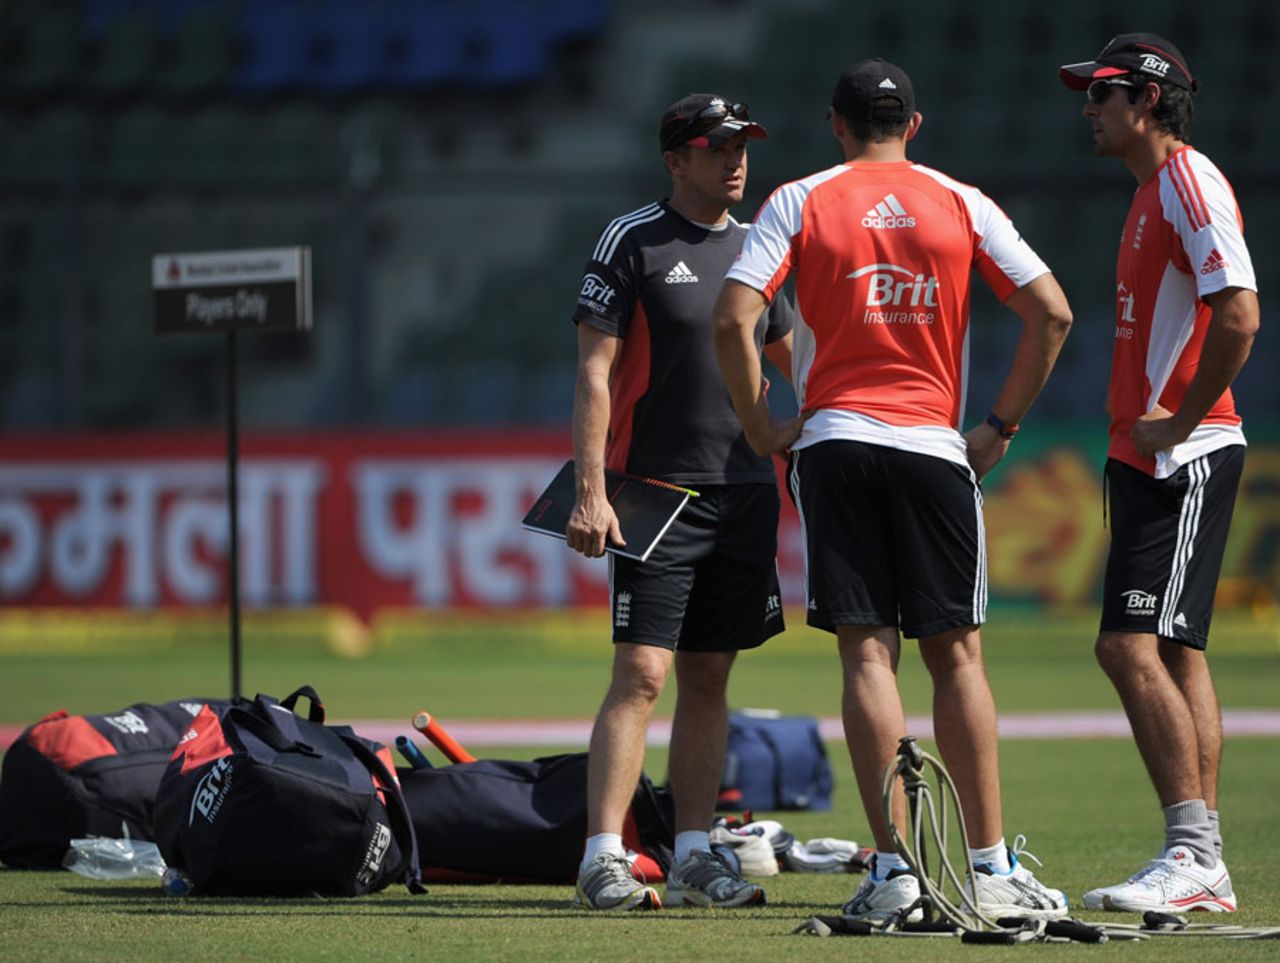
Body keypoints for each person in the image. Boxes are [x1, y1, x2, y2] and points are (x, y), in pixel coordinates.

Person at [713, 59, 1073, 922]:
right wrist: (1001, 425)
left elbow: (732, 316)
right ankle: (987, 868)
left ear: (835, 124)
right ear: (914, 126)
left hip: (834, 443)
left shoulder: (799, 199)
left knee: (867, 653)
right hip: (932, 444)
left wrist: (765, 427)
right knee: (958, 655)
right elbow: (1051, 311)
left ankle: (897, 871)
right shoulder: (962, 201)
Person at [566, 94, 796, 911]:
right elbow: (594, 375)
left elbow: (789, 363)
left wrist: (811, 446)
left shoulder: (762, 247)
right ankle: (603, 857)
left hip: (743, 490)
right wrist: (591, 491)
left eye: (745, 144)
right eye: (718, 146)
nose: (737, 159)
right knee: (642, 672)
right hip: (653, 491)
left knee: (709, 674)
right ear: (676, 160)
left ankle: (695, 851)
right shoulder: (632, 240)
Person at [1059, 34, 1259, 914]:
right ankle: (1199, 861)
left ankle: (1195, 852)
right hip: (1154, 453)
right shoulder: (1152, 192)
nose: (1088, 108)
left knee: (1126, 645)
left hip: (1183, 451)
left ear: (1145, 100)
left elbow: (1240, 314)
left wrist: (1179, 420)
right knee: (1175, 649)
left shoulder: (1187, 182)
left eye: (1100, 93)